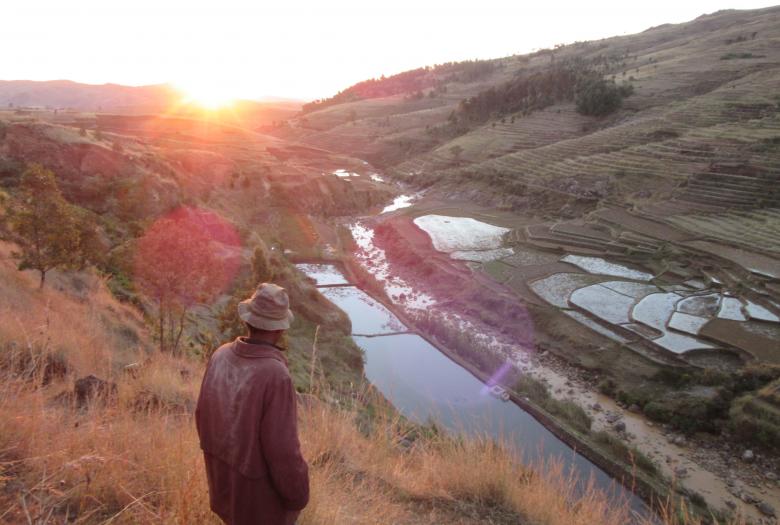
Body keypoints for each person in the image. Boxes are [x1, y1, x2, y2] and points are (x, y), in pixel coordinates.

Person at [196, 283, 309, 525]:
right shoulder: (275, 375)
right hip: (258, 502)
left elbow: (202, 417)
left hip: (222, 483)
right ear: (279, 329)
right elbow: (283, 452)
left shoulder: (220, 355)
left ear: (247, 320)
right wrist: (298, 496)